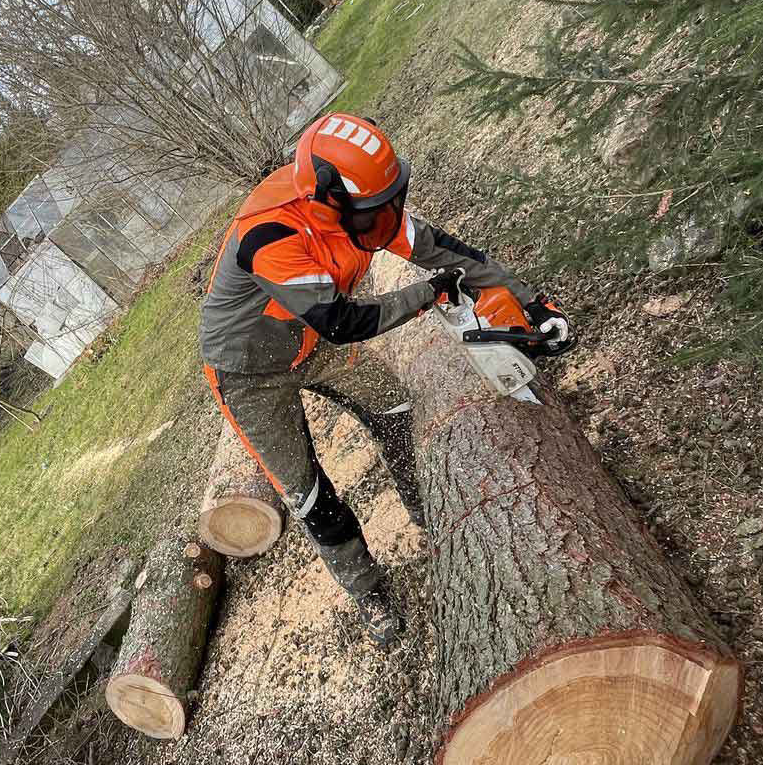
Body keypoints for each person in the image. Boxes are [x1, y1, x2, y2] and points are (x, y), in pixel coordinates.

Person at [198, 113, 568, 647]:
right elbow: (344, 323)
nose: (388, 221)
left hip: (309, 338)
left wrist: (530, 304)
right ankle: (367, 591)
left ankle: (427, 505)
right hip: (248, 371)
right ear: (330, 201)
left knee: (394, 409)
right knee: (307, 491)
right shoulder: (270, 236)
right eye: (376, 212)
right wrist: (428, 294)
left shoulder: (368, 208)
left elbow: (448, 252)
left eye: (391, 203)